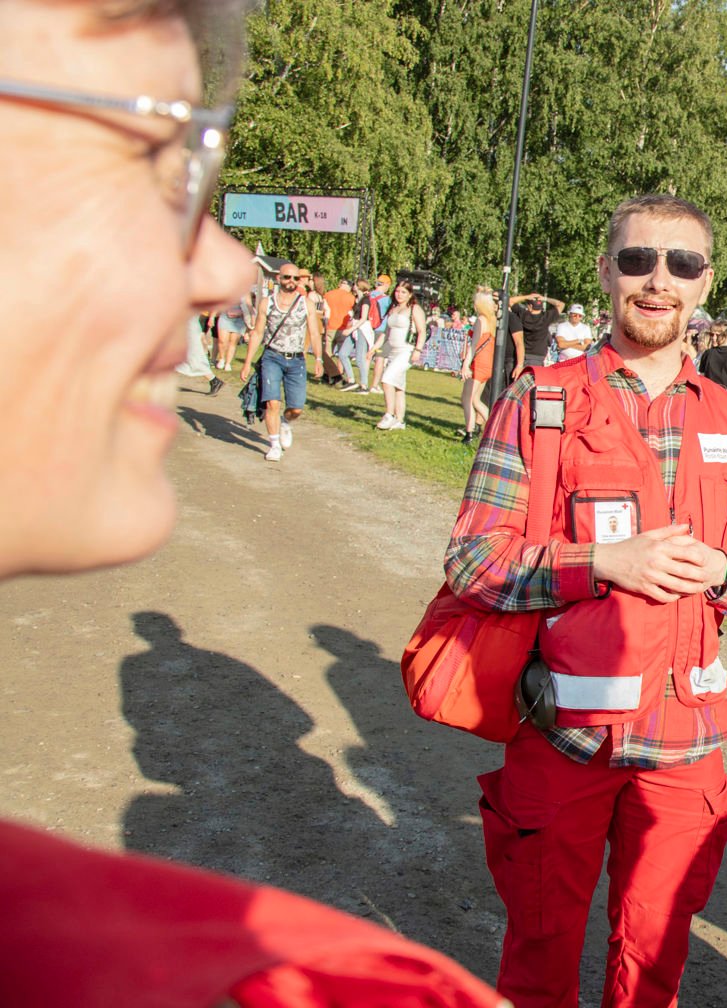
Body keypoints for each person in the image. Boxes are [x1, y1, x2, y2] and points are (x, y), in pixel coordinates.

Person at [0, 0, 504, 1003]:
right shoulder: (297, 979)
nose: (223, 264)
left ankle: (274, 438)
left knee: (285, 402)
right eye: (142, 155)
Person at [444, 193, 727, 1007]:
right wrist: (600, 563)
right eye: (637, 260)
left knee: (654, 964)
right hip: (563, 741)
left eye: (682, 263)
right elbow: (472, 562)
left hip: (686, 749)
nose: (658, 280)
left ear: (704, 284)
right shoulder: (541, 402)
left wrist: (720, 574)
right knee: (540, 955)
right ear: (605, 273)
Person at [237, 259, 321, 462]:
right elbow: (257, 333)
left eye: (295, 278)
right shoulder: (268, 302)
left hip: (296, 360)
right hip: (272, 357)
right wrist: (247, 362)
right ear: (279, 279)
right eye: (287, 277)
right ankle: (274, 444)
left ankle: (286, 422)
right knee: (272, 403)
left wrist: (318, 358)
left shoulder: (306, 304)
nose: (291, 281)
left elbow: (315, 333)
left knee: (296, 408)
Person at [376, 280, 425, 431]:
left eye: (403, 292)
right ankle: (400, 420)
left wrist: (418, 350)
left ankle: (389, 414)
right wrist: (374, 348)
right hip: (393, 350)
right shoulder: (393, 308)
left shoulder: (414, 309)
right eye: (397, 291)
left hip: (407, 350)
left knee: (387, 379)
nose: (399, 295)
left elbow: (422, 331)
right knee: (398, 386)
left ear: (410, 294)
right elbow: (386, 332)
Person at [459, 286, 497, 443]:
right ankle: (494, 427)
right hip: (488, 363)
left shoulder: (481, 320)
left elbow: (473, 345)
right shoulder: (492, 320)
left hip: (479, 363)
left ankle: (469, 431)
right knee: (475, 399)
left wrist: (465, 365)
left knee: (467, 399)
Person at [321, 278, 361, 390]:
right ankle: (339, 375)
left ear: (339, 284)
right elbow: (354, 312)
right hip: (343, 328)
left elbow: (324, 310)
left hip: (330, 327)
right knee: (342, 354)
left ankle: (327, 374)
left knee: (327, 353)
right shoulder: (351, 297)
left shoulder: (328, 294)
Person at [508, 291, 563, 372]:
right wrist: (545, 298)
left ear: (530, 306)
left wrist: (526, 296)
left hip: (523, 355)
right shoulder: (546, 318)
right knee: (532, 382)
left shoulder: (523, 315)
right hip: (539, 357)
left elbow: (509, 301)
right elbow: (561, 304)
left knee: (519, 382)